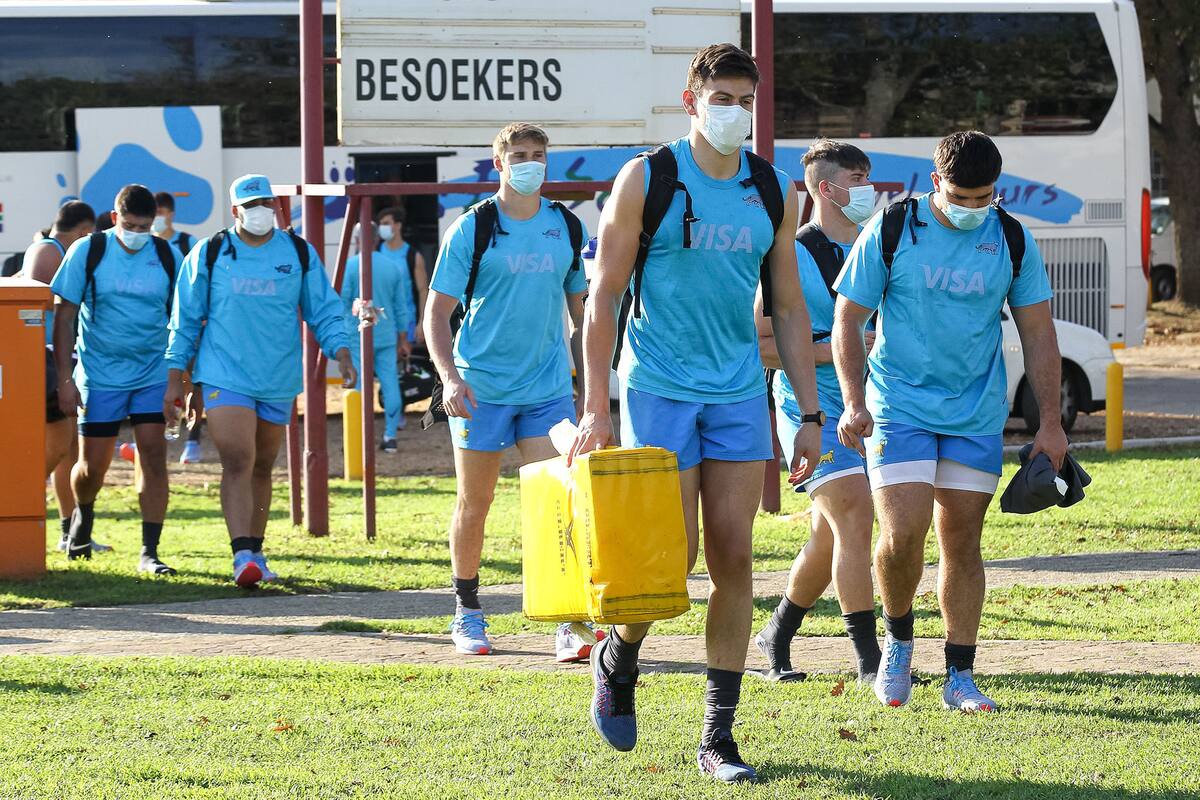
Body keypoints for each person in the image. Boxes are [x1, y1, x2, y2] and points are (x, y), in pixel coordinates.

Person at [568, 44, 822, 783]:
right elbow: (603, 298)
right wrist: (596, 406)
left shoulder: (773, 189)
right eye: (722, 98)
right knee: (669, 562)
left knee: (734, 557)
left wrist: (808, 414)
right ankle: (619, 655)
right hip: (657, 387)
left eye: (746, 99)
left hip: (739, 390)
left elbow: (789, 306)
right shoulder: (648, 178)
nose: (735, 111)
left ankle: (719, 736)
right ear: (691, 101)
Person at [833, 130, 1067, 713]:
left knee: (962, 540)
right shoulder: (893, 227)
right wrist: (854, 402)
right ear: (935, 181)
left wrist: (1051, 423)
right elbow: (848, 318)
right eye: (960, 197)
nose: (971, 208)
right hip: (899, 405)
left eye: (983, 198)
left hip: (975, 413)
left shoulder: (1011, 237)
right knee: (902, 534)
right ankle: (898, 643)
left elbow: (1038, 331)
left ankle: (960, 675)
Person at [424, 122, 595, 663]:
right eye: (519, 155)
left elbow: (581, 315)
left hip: (547, 390)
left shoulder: (565, 225)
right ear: (498, 163)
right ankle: (467, 611)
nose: (530, 163)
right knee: (475, 502)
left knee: (555, 503)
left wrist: (591, 389)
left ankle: (566, 618)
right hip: (482, 389)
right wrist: (450, 379)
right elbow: (436, 314)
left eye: (538, 154)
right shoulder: (472, 228)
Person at [164, 174, 356, 588]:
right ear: (235, 210)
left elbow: (324, 309)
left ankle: (256, 550)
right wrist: (176, 376)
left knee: (263, 466)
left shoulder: (298, 252)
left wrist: (341, 350)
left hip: (277, 376)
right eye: (251, 205)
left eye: (266, 202)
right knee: (238, 458)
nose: (261, 211)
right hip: (224, 373)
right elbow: (185, 319)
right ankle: (241, 555)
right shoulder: (210, 253)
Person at [754, 139, 881, 685]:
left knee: (829, 536)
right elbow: (761, 344)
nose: (869, 189)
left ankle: (777, 632)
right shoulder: (790, 253)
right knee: (854, 514)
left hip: (873, 407)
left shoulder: (879, 245)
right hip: (811, 409)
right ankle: (871, 662)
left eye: (868, 177)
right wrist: (834, 350)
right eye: (857, 179)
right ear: (826, 189)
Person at [50, 186, 182, 574]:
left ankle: (150, 552)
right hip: (100, 374)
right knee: (93, 467)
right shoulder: (88, 251)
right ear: (114, 218)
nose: (137, 233)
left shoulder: (166, 255)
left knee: (153, 455)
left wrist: (181, 378)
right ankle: (82, 517)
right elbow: (64, 317)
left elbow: (183, 319)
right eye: (130, 225)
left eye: (144, 227)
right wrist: (65, 380)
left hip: (152, 372)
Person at [22, 202, 109, 554]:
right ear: (84, 231)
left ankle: (68, 530)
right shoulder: (48, 251)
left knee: (70, 451)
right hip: (43, 362)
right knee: (55, 449)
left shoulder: (53, 249)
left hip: (60, 360)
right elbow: (36, 304)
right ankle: (15, 509)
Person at [341, 211, 415, 452]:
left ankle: (358, 437)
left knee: (358, 384)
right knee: (390, 382)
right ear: (376, 238)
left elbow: (343, 303)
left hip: (357, 335)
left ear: (356, 240)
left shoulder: (350, 267)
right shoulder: (392, 267)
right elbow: (400, 307)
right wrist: (403, 338)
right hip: (386, 335)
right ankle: (390, 435)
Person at [153, 191, 205, 464]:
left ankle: (193, 439)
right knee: (162, 382)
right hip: (156, 329)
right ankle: (157, 434)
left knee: (192, 381)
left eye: (160, 213)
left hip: (186, 326)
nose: (156, 218)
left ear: (171, 214)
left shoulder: (187, 243)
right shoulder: (146, 245)